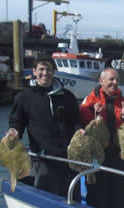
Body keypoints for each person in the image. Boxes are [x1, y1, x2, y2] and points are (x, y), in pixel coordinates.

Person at [8, 57, 80, 197]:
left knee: (72, 198)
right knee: (47, 197)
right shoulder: (23, 98)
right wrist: (14, 131)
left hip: (70, 158)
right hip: (43, 158)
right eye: (41, 69)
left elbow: (76, 121)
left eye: (48, 70)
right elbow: (16, 122)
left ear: (53, 72)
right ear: (34, 71)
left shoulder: (67, 96)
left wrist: (81, 130)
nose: (45, 73)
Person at [80, 68, 124, 208]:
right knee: (98, 196)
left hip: (120, 156)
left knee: (120, 196)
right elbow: (81, 122)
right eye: (111, 79)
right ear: (101, 81)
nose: (115, 83)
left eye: (117, 80)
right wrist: (94, 114)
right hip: (97, 157)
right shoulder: (89, 101)